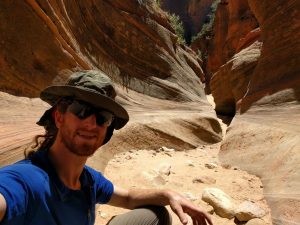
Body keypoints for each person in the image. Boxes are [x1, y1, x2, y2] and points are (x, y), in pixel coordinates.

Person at [0, 70, 213, 225]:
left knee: (157, 214)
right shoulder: (25, 180)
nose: (92, 124)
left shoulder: (88, 180)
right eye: (81, 109)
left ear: (107, 130)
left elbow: (128, 197)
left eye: (102, 117)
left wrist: (168, 194)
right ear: (58, 117)